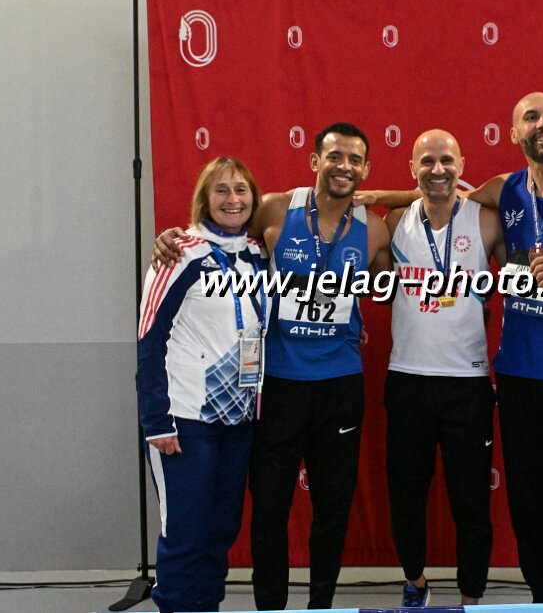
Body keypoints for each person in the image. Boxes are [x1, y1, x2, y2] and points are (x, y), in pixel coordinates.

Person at [362, 92, 543, 603]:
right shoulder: (504, 191)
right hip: (520, 381)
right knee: (533, 518)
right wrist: (370, 196)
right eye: (531, 117)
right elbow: (437, 191)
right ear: (514, 134)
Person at [153, 122, 391, 610]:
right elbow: (221, 237)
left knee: (332, 510)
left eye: (354, 159)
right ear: (315, 161)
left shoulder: (376, 227)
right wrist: (173, 238)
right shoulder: (276, 209)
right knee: (269, 510)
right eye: (334, 156)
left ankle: (320, 607)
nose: (343, 166)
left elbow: (386, 286)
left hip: (340, 385)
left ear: (366, 169)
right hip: (278, 385)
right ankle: (270, 609)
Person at [138, 156, 267, 613]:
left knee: (219, 532)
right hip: (184, 421)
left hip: (239, 420)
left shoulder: (257, 255)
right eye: (221, 190)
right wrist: (156, 421)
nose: (233, 199)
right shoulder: (180, 253)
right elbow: (149, 339)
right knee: (185, 533)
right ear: (204, 199)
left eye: (241, 189)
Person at [383, 129, 503, 607]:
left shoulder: (486, 221)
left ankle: (471, 597)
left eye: (447, 160)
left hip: (468, 383)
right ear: (412, 169)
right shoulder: (394, 220)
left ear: (462, 164)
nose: (438, 169)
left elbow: (533, 267)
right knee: (406, 496)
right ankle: (415, 583)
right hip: (407, 378)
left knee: (471, 502)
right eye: (428, 161)